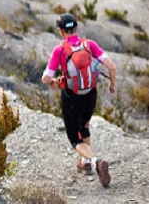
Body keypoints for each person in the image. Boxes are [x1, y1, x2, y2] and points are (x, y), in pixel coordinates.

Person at [41, 13, 118, 188]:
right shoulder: (89, 45)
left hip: (71, 97)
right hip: (90, 94)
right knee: (84, 125)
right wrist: (112, 84)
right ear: (76, 28)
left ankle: (95, 160)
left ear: (61, 31)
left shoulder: (59, 50)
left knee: (75, 139)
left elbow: (45, 78)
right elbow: (112, 66)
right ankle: (85, 162)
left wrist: (54, 82)